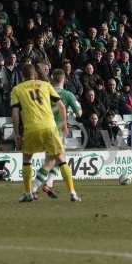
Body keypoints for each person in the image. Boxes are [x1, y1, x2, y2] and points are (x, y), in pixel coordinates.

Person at [11, 64, 80, 202]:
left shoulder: (17, 90)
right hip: (50, 127)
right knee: (61, 159)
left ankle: (28, 193)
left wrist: (17, 133)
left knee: (26, 160)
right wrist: (65, 124)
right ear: (35, 74)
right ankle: (72, 193)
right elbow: (61, 106)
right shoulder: (46, 85)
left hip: (31, 129)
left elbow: (15, 113)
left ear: (22, 76)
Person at [32, 69, 82, 199]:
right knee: (54, 161)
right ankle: (34, 189)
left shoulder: (45, 92)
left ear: (53, 79)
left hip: (42, 128)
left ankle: (48, 184)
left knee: (55, 159)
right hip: (57, 132)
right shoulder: (67, 95)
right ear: (64, 79)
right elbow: (79, 113)